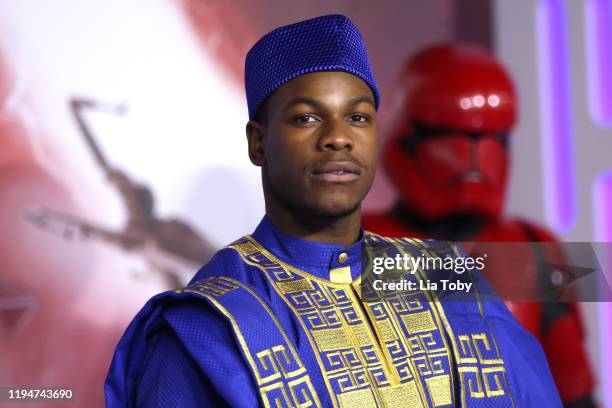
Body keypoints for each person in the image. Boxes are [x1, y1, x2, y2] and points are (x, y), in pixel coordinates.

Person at [105, 15, 562, 407]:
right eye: (307, 117)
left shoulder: (447, 277)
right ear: (258, 142)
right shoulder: (207, 325)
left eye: (358, 117)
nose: (338, 137)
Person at [362, 44, 595, 407]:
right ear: (407, 137)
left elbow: (575, 388)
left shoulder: (536, 246)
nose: (474, 156)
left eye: (492, 139)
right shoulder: (357, 244)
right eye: (450, 135)